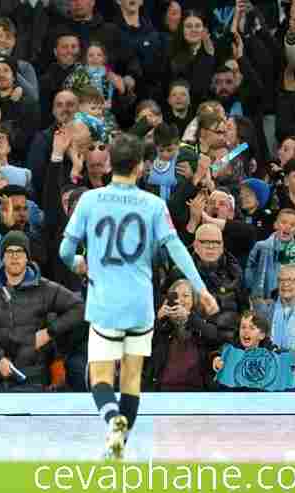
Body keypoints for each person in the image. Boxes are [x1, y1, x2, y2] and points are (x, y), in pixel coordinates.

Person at [59, 133, 219, 460]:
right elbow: (177, 251)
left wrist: (79, 263)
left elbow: (65, 251)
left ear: (108, 163)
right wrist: (201, 289)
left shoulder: (89, 200)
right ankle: (119, 444)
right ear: (141, 166)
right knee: (131, 377)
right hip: (140, 305)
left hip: (104, 303)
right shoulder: (154, 205)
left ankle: (112, 420)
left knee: (100, 376)